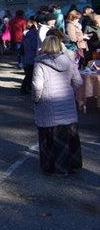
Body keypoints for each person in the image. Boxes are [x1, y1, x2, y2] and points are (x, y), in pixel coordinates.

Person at [32, 36, 83, 176]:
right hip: (67, 103)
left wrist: (36, 99)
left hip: (48, 103)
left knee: (50, 136)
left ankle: (53, 167)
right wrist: (69, 91)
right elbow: (78, 82)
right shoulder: (69, 61)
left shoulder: (40, 63)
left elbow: (37, 86)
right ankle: (72, 164)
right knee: (69, 135)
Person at [20, 19, 39, 95]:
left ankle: (25, 88)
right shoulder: (33, 35)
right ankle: (25, 88)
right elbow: (34, 46)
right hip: (32, 56)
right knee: (30, 75)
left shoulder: (26, 35)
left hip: (26, 56)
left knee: (28, 74)